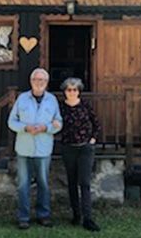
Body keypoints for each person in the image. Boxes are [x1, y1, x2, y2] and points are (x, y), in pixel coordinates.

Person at [7, 68, 62, 229]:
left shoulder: (52, 100)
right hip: (24, 148)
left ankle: (43, 215)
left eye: (43, 80)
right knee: (23, 184)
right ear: (31, 81)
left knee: (43, 183)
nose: (39, 83)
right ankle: (23, 217)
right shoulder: (22, 99)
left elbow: (58, 122)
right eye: (36, 80)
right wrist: (25, 128)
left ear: (46, 83)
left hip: (44, 149)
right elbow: (11, 122)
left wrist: (47, 128)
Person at [59, 77, 101, 232]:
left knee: (84, 182)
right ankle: (76, 215)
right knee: (71, 182)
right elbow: (55, 124)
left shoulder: (85, 106)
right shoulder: (60, 108)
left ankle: (88, 218)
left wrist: (93, 139)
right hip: (68, 148)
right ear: (65, 92)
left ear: (79, 92)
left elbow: (96, 123)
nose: (72, 92)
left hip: (85, 148)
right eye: (69, 89)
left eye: (75, 89)